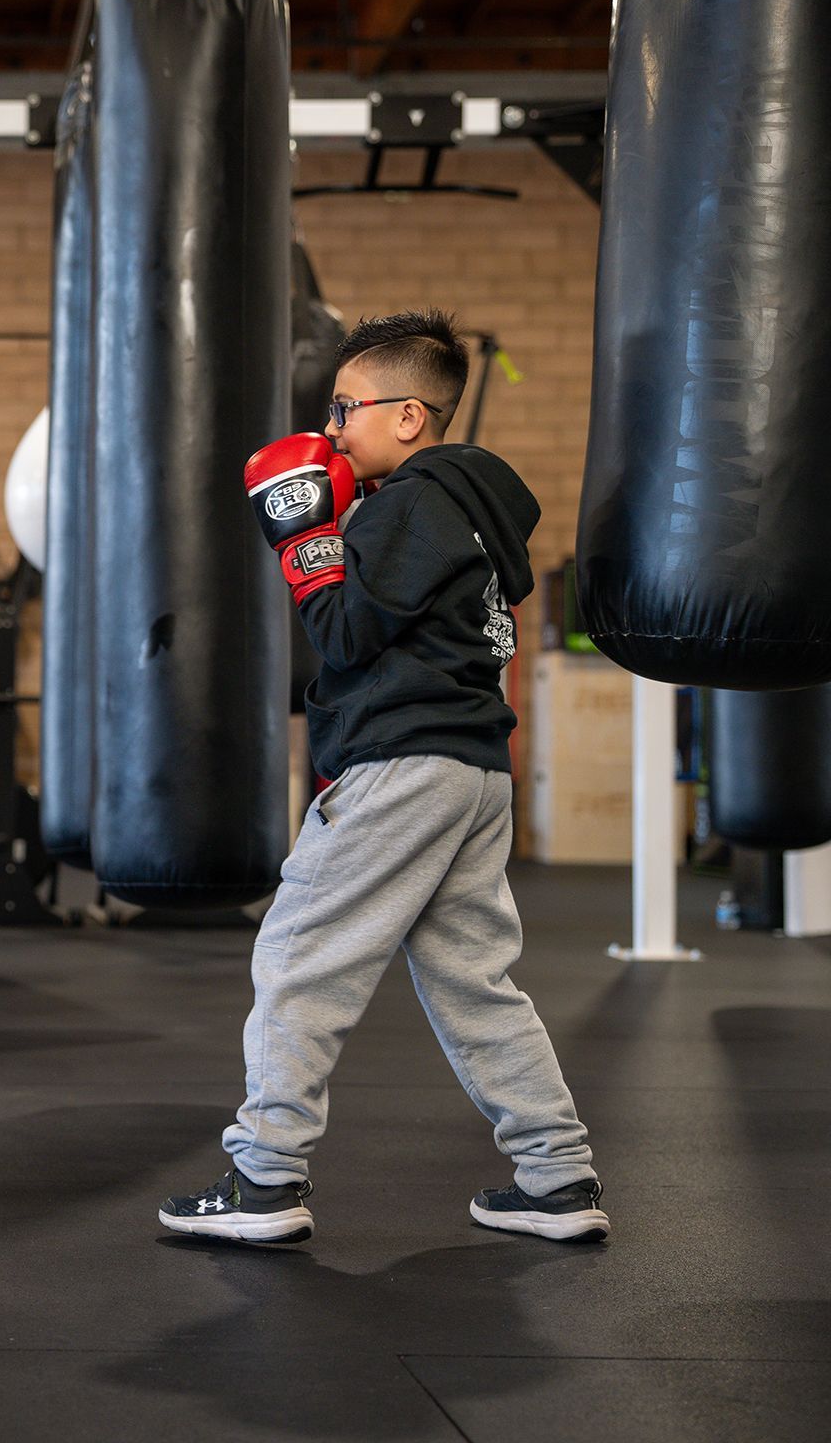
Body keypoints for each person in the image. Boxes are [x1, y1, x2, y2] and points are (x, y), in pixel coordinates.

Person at [160, 309, 607, 1247]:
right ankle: (558, 1177)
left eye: (346, 408)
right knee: (475, 981)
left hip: (404, 763)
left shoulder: (413, 500)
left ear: (410, 416)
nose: (329, 430)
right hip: (476, 771)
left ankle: (263, 1179)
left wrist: (302, 542)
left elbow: (347, 633)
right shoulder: (470, 514)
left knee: (298, 954)